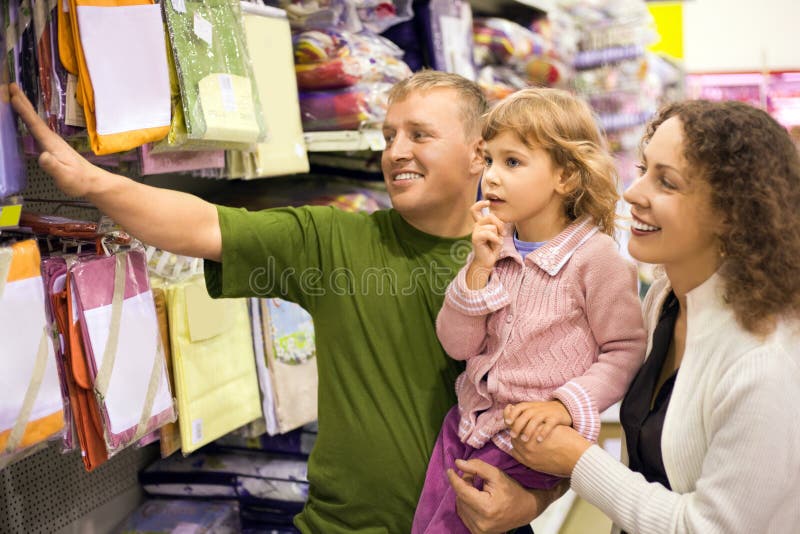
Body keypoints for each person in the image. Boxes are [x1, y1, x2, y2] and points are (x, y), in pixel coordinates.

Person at [9, 71, 558, 533]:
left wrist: (533, 501)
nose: (396, 152)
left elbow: (568, 414)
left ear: (478, 154)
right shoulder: (335, 241)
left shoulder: (534, 263)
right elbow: (203, 226)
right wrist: (91, 180)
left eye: (419, 135)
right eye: (389, 134)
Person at [501, 99, 800, 533]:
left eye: (667, 182)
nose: (632, 192)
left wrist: (578, 461)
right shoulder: (665, 299)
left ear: (730, 211)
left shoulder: (764, 362)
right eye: (643, 170)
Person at [412, 87, 647, 533]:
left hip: (529, 437)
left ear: (568, 178)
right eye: (490, 160)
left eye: (513, 162)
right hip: (467, 422)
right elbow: (458, 344)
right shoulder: (491, 246)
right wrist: (477, 272)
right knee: (427, 521)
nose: (492, 177)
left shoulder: (595, 259)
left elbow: (625, 351)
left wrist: (564, 406)